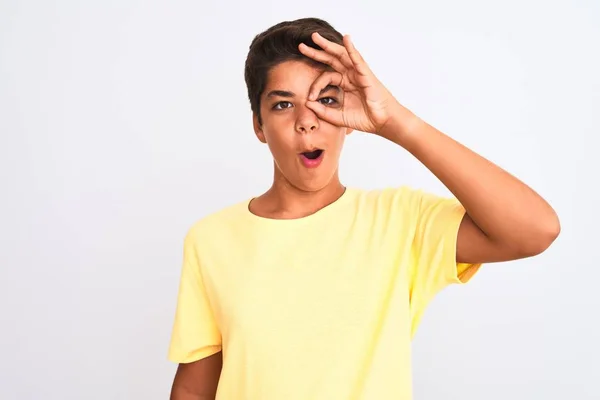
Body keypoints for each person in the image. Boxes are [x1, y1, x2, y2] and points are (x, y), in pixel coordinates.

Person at [167, 17, 560, 400]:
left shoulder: (399, 221)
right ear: (258, 124)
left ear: (349, 115)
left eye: (325, 101)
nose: (307, 122)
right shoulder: (211, 239)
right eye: (284, 105)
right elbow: (193, 388)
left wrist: (396, 122)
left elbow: (535, 229)